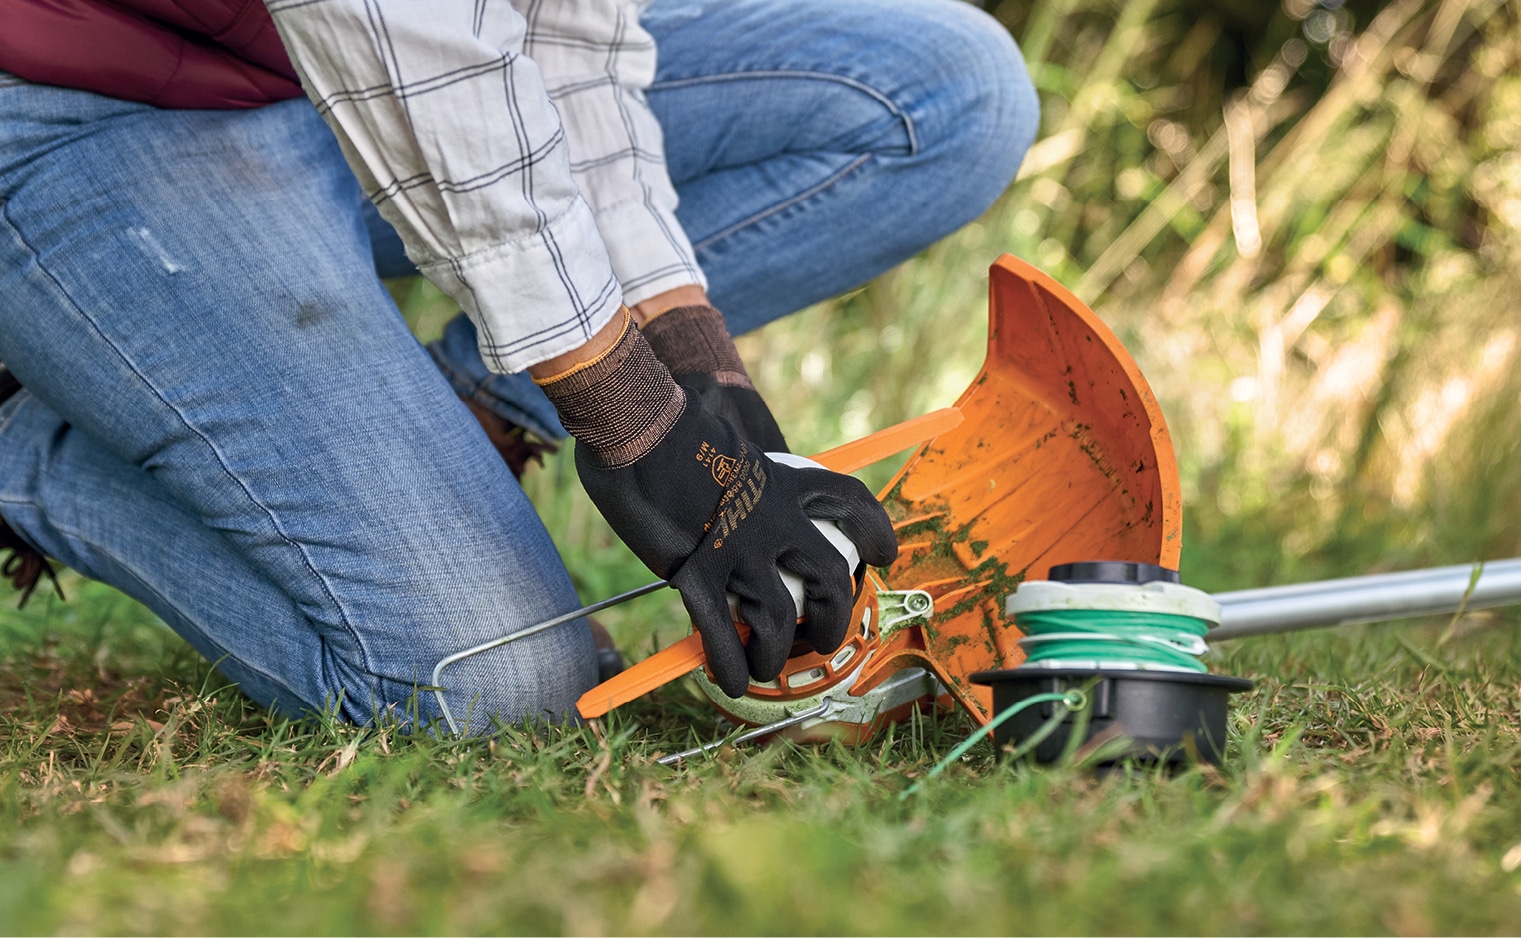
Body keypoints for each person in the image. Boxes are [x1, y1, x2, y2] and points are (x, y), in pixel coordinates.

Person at [0, 0, 1038, 732]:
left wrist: (714, 395)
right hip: (87, 104)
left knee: (952, 94)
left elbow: (564, 47)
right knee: (486, 683)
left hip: (322, 80)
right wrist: (639, 424)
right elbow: (407, 53)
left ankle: (464, 419)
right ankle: (24, 442)